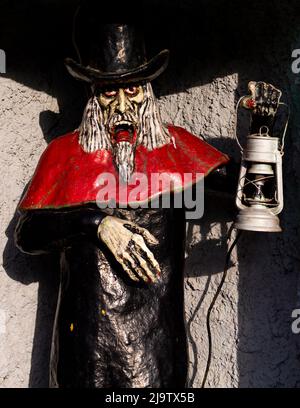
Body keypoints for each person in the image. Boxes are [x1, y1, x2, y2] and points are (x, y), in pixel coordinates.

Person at [14, 23, 231, 387]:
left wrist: (262, 139)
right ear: (93, 97)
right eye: (108, 92)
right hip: (84, 344)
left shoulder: (176, 149)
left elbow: (243, 188)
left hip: (155, 343)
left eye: (131, 90)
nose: (122, 106)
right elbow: (29, 234)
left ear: (148, 93)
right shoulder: (63, 154)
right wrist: (97, 224)